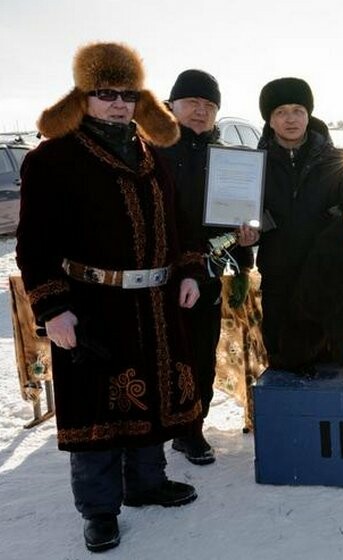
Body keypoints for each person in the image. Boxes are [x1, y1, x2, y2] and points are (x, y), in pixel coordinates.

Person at [15, 42, 204, 552]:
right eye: (106, 94)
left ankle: (146, 483)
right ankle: (99, 508)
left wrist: (187, 270)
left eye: (127, 94)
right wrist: (52, 307)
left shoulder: (150, 154)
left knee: (154, 395)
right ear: (84, 96)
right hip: (93, 303)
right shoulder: (53, 158)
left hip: (157, 302)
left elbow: (179, 221)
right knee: (99, 411)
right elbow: (33, 245)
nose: (118, 104)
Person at [160, 69, 257, 465]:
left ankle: (191, 430)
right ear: (173, 106)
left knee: (201, 352)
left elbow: (238, 218)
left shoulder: (228, 158)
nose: (201, 111)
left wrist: (247, 236)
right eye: (193, 103)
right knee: (161, 355)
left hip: (210, 268)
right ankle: (152, 435)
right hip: (158, 270)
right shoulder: (152, 150)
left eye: (209, 105)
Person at [255, 77, 343, 360]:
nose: (290, 119)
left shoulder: (337, 162)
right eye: (281, 112)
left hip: (328, 284)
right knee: (282, 364)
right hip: (279, 283)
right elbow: (241, 216)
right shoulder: (255, 165)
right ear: (269, 120)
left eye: (298, 110)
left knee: (332, 366)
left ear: (309, 115)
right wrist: (246, 231)